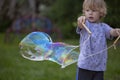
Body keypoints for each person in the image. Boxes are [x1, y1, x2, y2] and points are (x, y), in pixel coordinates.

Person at [76, 0, 120, 80]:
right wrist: (80, 20)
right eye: (87, 10)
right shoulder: (85, 24)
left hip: (99, 66)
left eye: (94, 10)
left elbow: (111, 32)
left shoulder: (103, 27)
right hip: (85, 64)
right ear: (84, 12)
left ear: (101, 12)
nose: (90, 13)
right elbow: (80, 25)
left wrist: (116, 31)